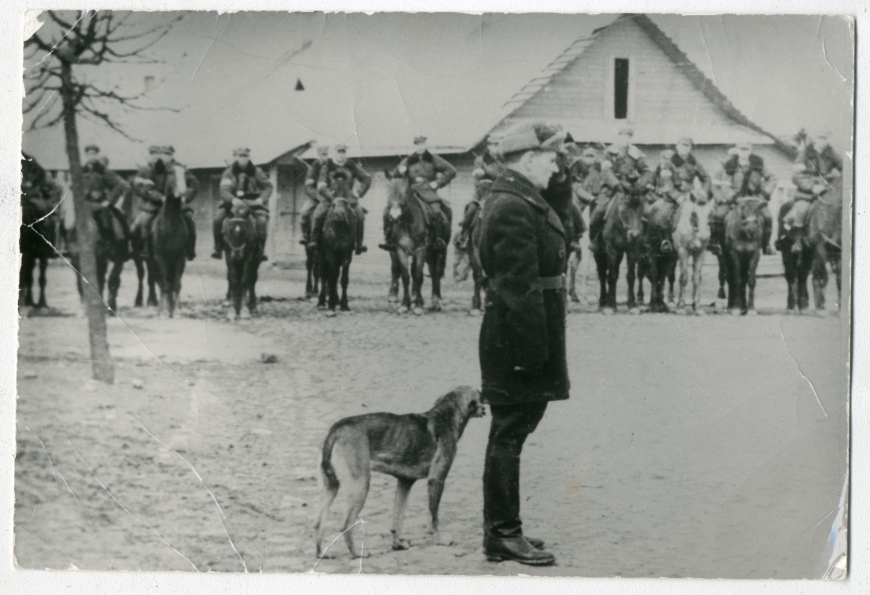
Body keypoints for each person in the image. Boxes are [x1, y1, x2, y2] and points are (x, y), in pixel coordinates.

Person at [478, 121, 570, 567]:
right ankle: (502, 535)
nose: (557, 167)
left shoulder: (520, 199)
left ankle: (502, 530)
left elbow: (562, 220)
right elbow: (518, 287)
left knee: (511, 432)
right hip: (518, 335)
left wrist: (561, 177)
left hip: (520, 330)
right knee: (509, 434)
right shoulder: (513, 207)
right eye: (551, 159)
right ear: (527, 159)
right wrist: (533, 354)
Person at [381, 135, 457, 251]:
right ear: (414, 146)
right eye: (417, 144)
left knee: (437, 211)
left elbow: (451, 171)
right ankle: (389, 239)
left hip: (428, 192)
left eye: (422, 144)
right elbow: (395, 176)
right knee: (389, 211)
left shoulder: (434, 159)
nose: (420, 147)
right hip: (410, 193)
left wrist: (437, 183)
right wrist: (399, 172)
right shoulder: (407, 160)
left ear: (425, 145)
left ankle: (438, 239)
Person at [776, 129, 843, 248]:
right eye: (820, 138)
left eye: (825, 138)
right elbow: (796, 175)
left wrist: (836, 180)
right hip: (807, 193)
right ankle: (798, 241)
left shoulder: (832, 153)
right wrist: (812, 186)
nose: (823, 141)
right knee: (802, 209)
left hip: (828, 191)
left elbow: (846, 169)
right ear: (814, 139)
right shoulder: (805, 154)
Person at [132, 145, 199, 260]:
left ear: (172, 155)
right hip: (157, 205)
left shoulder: (180, 168)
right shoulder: (153, 169)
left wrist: (185, 197)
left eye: (169, 154)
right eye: (163, 154)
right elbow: (146, 189)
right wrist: (160, 198)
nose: (166, 157)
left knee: (189, 218)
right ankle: (145, 249)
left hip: (178, 204)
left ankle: (189, 249)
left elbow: (194, 184)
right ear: (160, 155)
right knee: (146, 221)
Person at [588, 127, 652, 247]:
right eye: (623, 136)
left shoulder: (636, 153)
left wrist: (640, 185)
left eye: (628, 137)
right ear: (618, 137)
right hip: (611, 189)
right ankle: (594, 240)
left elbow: (647, 170)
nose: (625, 139)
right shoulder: (609, 152)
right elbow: (606, 170)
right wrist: (616, 184)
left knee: (648, 213)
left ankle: (644, 241)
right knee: (598, 212)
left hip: (632, 190)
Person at [710, 141, 776, 255]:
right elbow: (725, 184)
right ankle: (717, 243)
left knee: (767, 217)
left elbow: (772, 178)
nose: (744, 152)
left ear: (750, 151)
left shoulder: (758, 165)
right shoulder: (730, 165)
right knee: (719, 215)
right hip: (735, 199)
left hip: (755, 198)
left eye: (746, 149)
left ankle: (766, 245)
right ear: (737, 150)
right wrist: (733, 197)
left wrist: (763, 195)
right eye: (742, 149)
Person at [648, 137, 711, 252]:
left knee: (706, 214)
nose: (684, 148)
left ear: (690, 148)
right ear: (677, 146)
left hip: (690, 196)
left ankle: (706, 240)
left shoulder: (695, 163)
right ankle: (666, 240)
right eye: (682, 145)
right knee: (663, 217)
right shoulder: (668, 162)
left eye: (687, 146)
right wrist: (677, 196)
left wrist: (704, 192)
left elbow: (706, 177)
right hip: (672, 197)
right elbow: (666, 182)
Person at [212, 148, 273, 261]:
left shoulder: (257, 171)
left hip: (252, 202)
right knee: (217, 220)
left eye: (245, 156)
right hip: (232, 203)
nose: (243, 158)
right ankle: (217, 247)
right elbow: (224, 190)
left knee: (262, 221)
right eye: (240, 156)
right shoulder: (229, 172)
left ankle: (261, 250)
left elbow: (268, 187)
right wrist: (232, 199)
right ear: (235, 157)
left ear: (249, 157)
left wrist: (261, 199)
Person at [311, 144, 372, 255]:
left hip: (348, 198)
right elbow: (321, 185)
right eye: (339, 151)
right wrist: (330, 196)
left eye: (343, 152)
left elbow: (367, 178)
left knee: (360, 215)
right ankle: (314, 240)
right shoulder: (327, 166)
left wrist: (358, 193)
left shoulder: (351, 165)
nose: (341, 154)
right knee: (318, 214)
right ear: (334, 152)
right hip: (330, 198)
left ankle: (359, 244)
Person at [455, 138, 503, 249]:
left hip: (501, 190)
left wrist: (492, 173)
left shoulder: (504, 160)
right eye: (493, 145)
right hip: (484, 191)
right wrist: (480, 174)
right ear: (489, 146)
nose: (495, 147)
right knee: (471, 209)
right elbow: (477, 181)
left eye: (497, 145)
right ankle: (464, 235)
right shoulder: (481, 160)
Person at [81, 143, 130, 248]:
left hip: (100, 205)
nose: (92, 156)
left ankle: (110, 247)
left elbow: (118, 186)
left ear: (97, 155)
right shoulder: (81, 170)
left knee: (107, 224)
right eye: (90, 154)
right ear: (86, 155)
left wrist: (109, 201)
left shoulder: (104, 170)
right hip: (83, 204)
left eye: (94, 153)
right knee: (69, 225)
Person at [299, 144, 331, 247]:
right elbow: (308, 187)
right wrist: (317, 197)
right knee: (304, 212)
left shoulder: (332, 167)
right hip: (316, 198)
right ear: (318, 155)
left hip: (331, 197)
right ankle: (304, 235)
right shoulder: (313, 168)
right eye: (322, 155)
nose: (324, 157)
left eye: (326, 154)